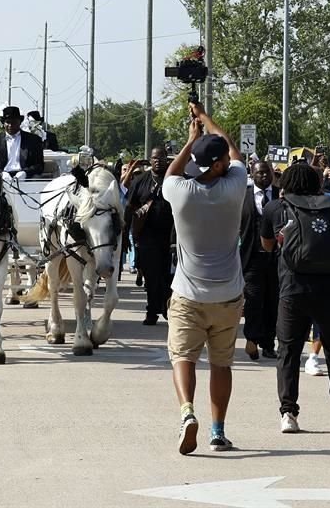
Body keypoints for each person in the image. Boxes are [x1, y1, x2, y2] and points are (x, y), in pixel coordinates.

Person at [161, 99, 246, 454]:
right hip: (227, 295)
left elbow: (170, 174)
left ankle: (186, 413)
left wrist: (188, 140)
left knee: (182, 357)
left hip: (188, 293)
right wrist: (206, 118)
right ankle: (217, 430)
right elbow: (231, 147)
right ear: (221, 164)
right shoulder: (235, 187)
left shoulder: (181, 194)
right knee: (222, 364)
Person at [260, 163, 330, 433]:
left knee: (288, 351)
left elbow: (267, 245)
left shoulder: (275, 208)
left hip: (291, 287)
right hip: (327, 286)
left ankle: (288, 413)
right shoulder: (329, 203)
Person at [125, 147, 174, 325]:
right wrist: (127, 234)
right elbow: (130, 207)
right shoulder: (140, 181)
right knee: (151, 277)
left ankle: (167, 307)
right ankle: (152, 311)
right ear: (150, 160)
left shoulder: (174, 179)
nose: (157, 161)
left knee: (168, 277)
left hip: (171, 236)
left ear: (166, 159)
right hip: (147, 236)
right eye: (154, 158)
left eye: (161, 158)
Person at [239, 160, 279, 359]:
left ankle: (269, 343)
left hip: (276, 258)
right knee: (253, 300)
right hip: (251, 257)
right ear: (252, 175)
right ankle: (252, 339)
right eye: (259, 173)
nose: (264, 176)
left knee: (273, 301)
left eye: (267, 173)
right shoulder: (242, 196)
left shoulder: (281, 195)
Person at [0, 106, 44, 180]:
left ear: (20, 122)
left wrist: (25, 173)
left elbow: (39, 166)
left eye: (14, 122)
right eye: (8, 122)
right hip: (1, 178)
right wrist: (1, 173)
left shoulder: (33, 140)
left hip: (26, 178)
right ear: (3, 123)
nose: (10, 125)